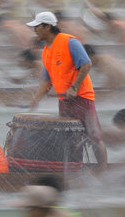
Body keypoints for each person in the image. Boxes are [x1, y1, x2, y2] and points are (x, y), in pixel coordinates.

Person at [27, 11, 107, 168]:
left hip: (82, 97)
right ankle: (75, 168)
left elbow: (86, 64)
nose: (34, 30)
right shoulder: (46, 51)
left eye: (37, 27)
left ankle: (103, 170)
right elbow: (47, 81)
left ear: (47, 27)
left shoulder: (69, 42)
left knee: (93, 136)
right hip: (64, 100)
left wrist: (74, 87)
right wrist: (36, 99)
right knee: (70, 137)